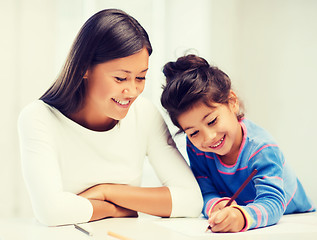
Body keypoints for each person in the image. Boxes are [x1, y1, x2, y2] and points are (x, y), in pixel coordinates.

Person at [17, 9, 203, 226]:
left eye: (141, 77)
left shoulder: (144, 114)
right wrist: (117, 209)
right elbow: (50, 212)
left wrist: (106, 192)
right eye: (120, 78)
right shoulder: (39, 118)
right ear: (84, 68)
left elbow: (191, 201)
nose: (132, 91)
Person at [160, 54, 315, 232]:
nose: (208, 137)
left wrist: (241, 217)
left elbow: (273, 203)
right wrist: (216, 205)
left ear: (232, 102)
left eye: (212, 121)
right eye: (194, 132)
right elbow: (204, 191)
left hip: (297, 220)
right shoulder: (196, 149)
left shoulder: (262, 148)